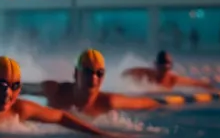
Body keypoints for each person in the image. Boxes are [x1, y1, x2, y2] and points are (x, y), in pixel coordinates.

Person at [21, 49, 160, 116]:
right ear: (76, 74)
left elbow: (143, 102)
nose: (93, 78)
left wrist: (170, 100)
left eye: (99, 73)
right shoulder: (55, 91)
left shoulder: (107, 102)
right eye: (87, 72)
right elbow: (19, 88)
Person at [121, 50, 215, 90]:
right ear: (156, 65)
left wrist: (210, 87)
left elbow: (195, 83)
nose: (165, 70)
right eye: (163, 66)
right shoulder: (146, 74)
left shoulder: (172, 79)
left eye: (168, 67)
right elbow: (124, 74)